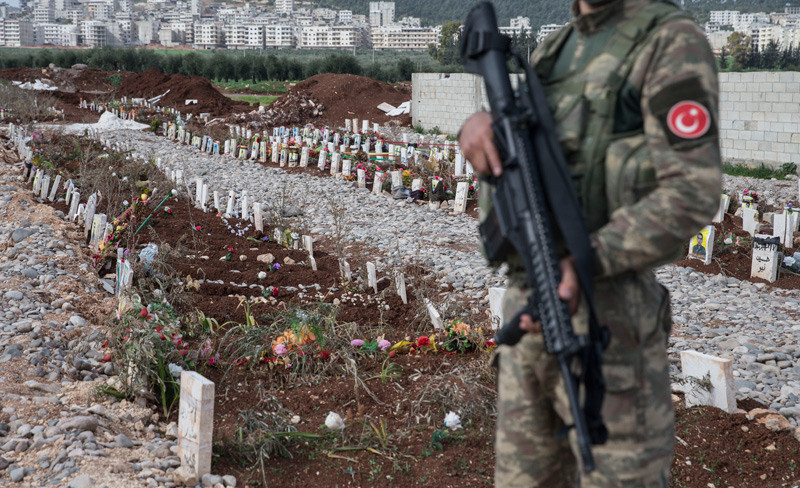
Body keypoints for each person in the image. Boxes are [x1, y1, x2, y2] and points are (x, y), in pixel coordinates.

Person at [458, 0, 722, 485]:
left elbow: (691, 191)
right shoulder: (555, 49)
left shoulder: (668, 41)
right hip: (530, 319)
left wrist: (586, 260)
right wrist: (477, 128)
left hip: (611, 334)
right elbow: (520, 148)